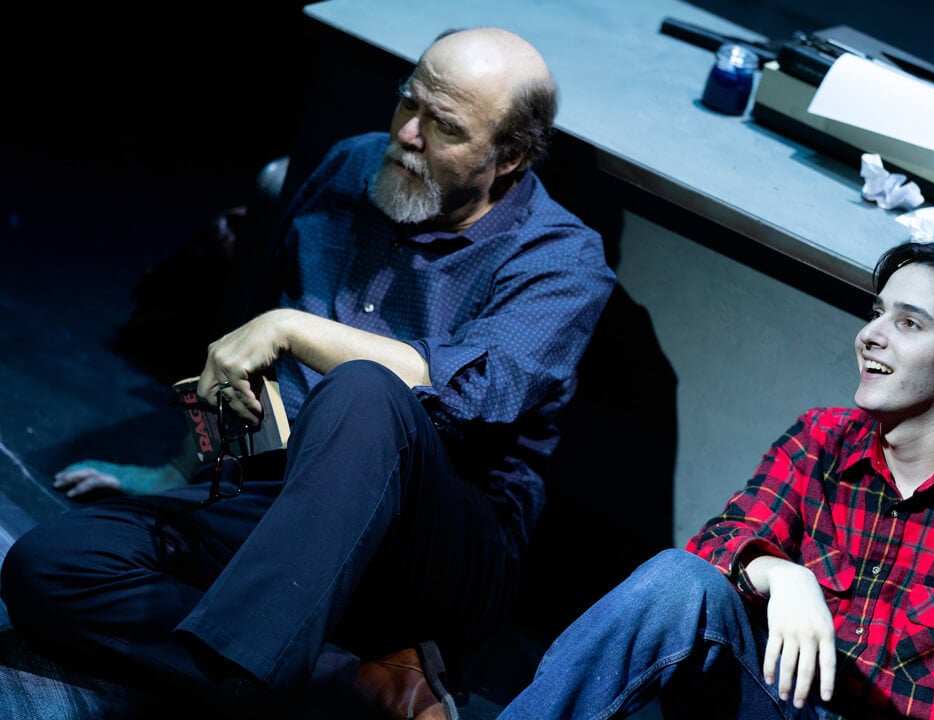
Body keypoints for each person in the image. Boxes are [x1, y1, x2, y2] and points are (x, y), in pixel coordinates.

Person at [1, 26, 614, 720]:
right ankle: (352, 683)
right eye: (407, 104)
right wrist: (180, 467)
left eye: (443, 127)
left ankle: (245, 687)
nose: (408, 135)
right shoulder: (352, 166)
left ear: (512, 157)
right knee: (50, 567)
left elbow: (465, 394)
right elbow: (252, 345)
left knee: (362, 391)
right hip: (286, 503)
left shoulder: (561, 261)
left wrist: (294, 330)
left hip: (432, 549)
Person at [495, 241, 934, 720]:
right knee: (679, 581)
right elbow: (719, 544)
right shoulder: (823, 439)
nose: (871, 334)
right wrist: (780, 574)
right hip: (781, 706)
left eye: (910, 324)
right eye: (876, 313)